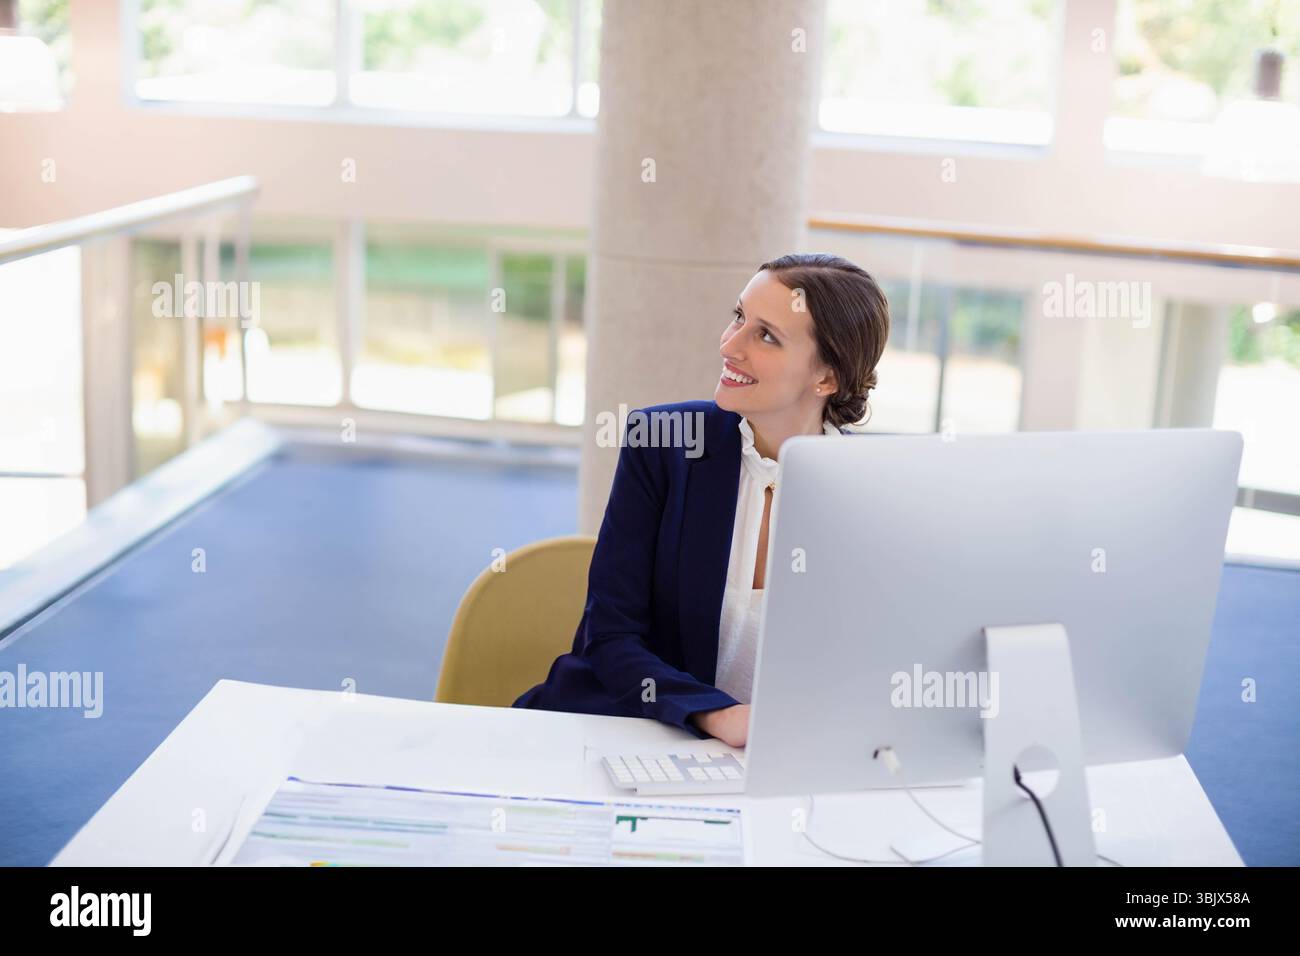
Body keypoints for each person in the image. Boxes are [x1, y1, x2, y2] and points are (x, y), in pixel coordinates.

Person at [513, 253, 890, 747]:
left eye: (766, 335)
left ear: (826, 379)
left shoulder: (874, 492)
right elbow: (608, 637)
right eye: (739, 318)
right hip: (631, 732)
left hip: (783, 758)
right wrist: (718, 716)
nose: (730, 346)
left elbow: (880, 659)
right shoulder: (663, 443)